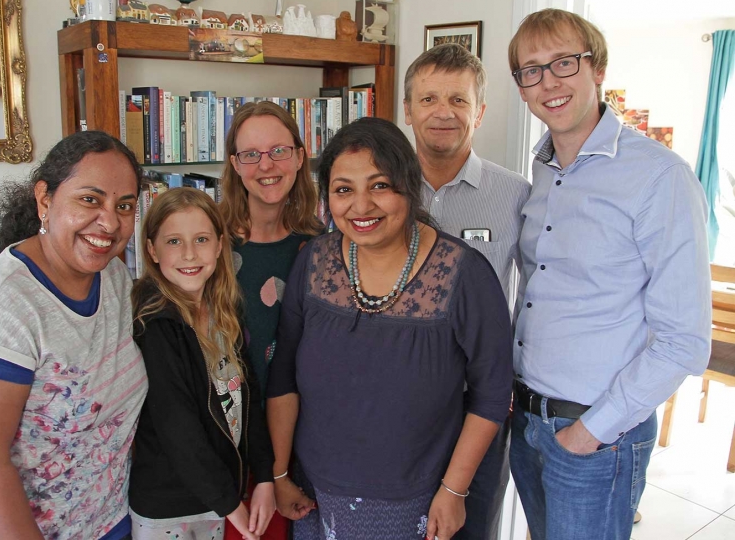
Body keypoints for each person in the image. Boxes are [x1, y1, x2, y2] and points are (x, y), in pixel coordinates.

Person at [507, 9, 712, 540]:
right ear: (522, 90)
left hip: (596, 434)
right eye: (531, 70)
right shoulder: (543, 171)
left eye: (563, 63)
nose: (548, 82)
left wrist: (588, 433)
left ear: (597, 68)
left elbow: (685, 342)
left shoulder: (659, 176)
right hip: (528, 421)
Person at [266, 117, 513, 540]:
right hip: (314, 494)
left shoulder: (463, 274)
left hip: (417, 498)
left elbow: (492, 394)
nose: (361, 207)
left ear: (408, 185)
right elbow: (284, 373)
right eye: (343, 190)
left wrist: (454, 489)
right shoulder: (314, 262)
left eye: (380, 186)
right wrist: (281, 471)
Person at [0, 131, 148, 539]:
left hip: (103, 519)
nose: (110, 221)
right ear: (45, 199)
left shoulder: (114, 277)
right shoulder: (1, 306)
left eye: (124, 206)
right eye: (90, 199)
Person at [403, 43, 530, 540]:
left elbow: (537, 295)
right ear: (408, 110)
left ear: (480, 111)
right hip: (399, 399)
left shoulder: (517, 194)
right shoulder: (379, 190)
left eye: (458, 100)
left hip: (481, 404)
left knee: (473, 528)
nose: (443, 112)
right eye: (429, 98)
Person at [128, 188, 276, 540]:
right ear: (152, 249)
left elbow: (249, 399)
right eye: (174, 241)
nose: (190, 253)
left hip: (220, 495)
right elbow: (179, 429)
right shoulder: (156, 324)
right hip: (170, 506)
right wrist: (230, 505)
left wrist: (266, 477)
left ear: (219, 244)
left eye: (201, 239)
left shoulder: (224, 311)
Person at [219, 101, 323, 539]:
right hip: (226, 440)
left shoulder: (320, 248)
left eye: (279, 151)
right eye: (251, 154)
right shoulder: (206, 245)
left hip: (302, 439)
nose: (267, 165)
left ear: (300, 157)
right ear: (234, 165)